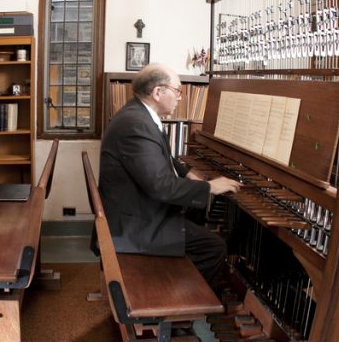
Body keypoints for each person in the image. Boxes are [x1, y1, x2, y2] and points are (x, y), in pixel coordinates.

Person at [98, 63, 240, 285]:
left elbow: (159, 157)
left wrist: (188, 172)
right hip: (135, 225)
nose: (180, 98)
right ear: (157, 92)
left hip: (133, 210)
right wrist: (210, 187)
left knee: (195, 213)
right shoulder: (136, 124)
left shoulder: (138, 115)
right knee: (214, 247)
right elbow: (161, 186)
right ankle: (182, 302)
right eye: (178, 91)